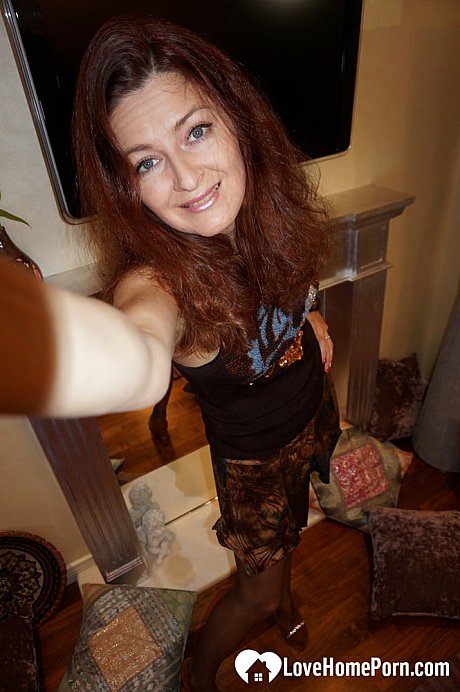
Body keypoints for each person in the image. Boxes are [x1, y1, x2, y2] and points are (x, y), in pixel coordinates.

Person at [2, 15, 341, 690]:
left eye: (196, 130)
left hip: (311, 415)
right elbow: (137, 354)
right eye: (148, 162)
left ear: (235, 119)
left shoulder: (269, 208)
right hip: (255, 465)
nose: (187, 179)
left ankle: (284, 603)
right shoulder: (158, 279)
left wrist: (313, 319)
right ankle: (200, 675)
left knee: (288, 545)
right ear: (127, 185)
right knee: (250, 593)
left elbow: (294, 285)